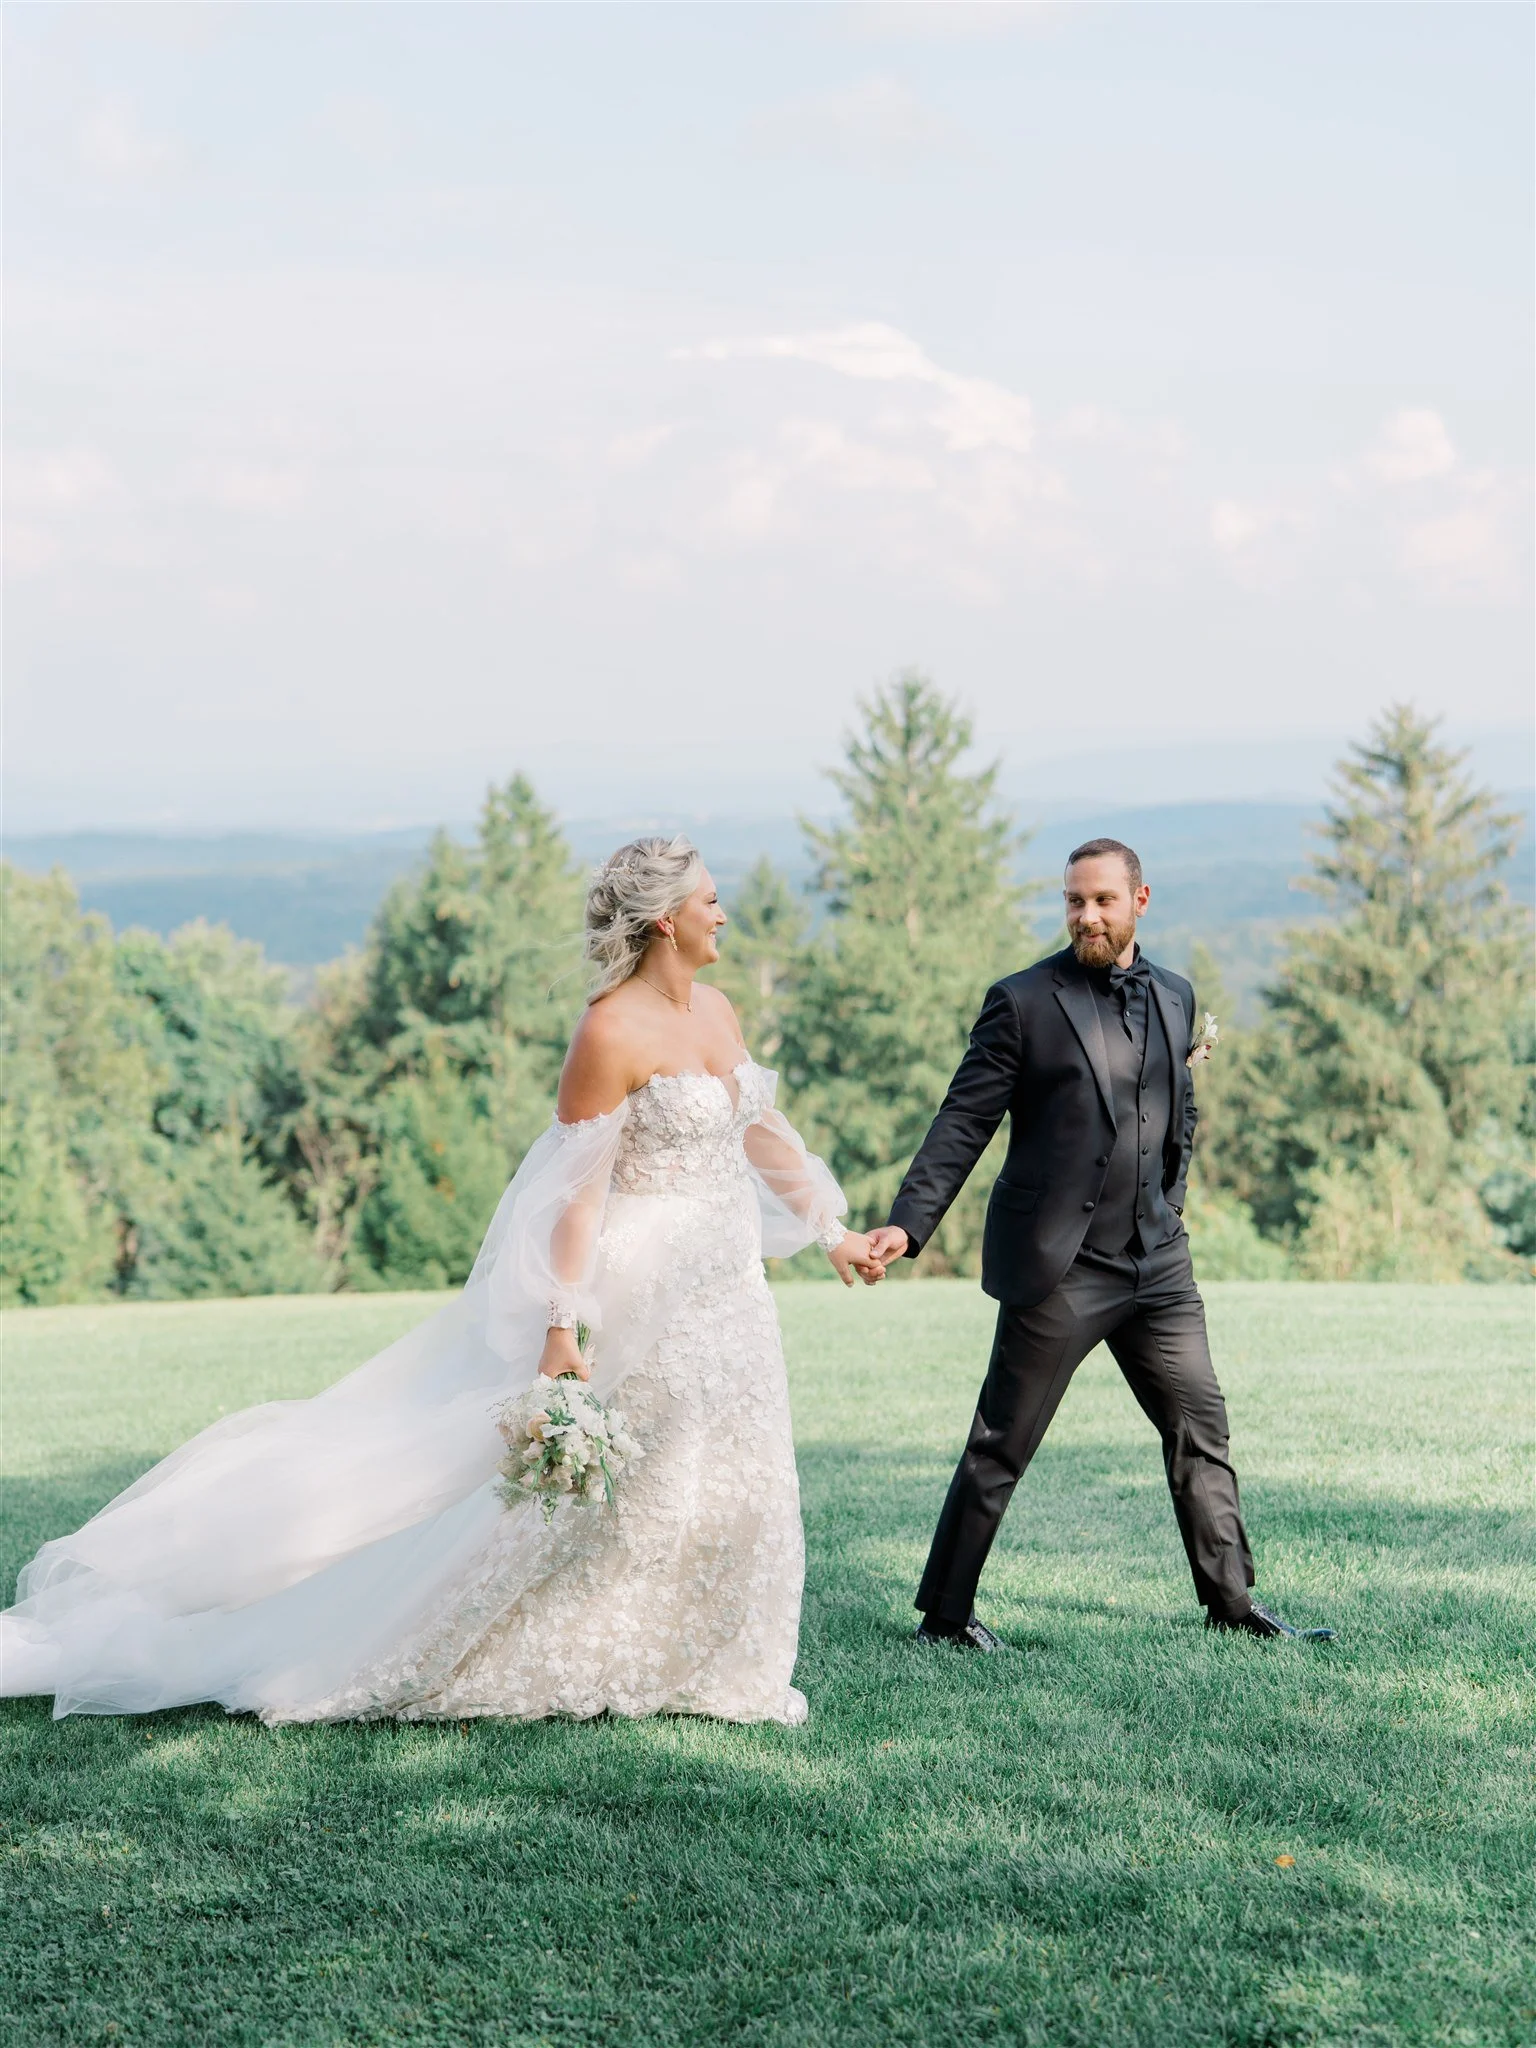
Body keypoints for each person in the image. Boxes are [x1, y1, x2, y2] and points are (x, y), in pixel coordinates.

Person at [1, 836, 886, 1725]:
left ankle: (715, 1661)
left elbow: (760, 1129)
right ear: (666, 920)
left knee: (741, 1469)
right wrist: (560, 1326)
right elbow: (571, 1198)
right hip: (649, 1294)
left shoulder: (720, 1009)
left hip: (732, 1287)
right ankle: (589, 1650)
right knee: (638, 1490)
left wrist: (834, 1233)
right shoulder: (608, 1029)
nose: (723, 912)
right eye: (710, 900)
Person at [864, 838, 1333, 1651]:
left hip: (1158, 1264)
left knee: (1201, 1427)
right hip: (1061, 1267)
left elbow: (1179, 1112)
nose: (1087, 915)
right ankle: (944, 1618)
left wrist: (1171, 1206)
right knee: (1001, 1445)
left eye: (1103, 901)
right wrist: (908, 1225)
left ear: (1139, 902)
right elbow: (964, 1122)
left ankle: (1234, 1607)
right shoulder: (1021, 1002)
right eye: (1075, 901)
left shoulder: (1178, 996)